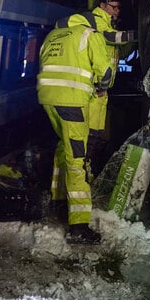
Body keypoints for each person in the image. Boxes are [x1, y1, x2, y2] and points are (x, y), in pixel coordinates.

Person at [37, 14, 114, 244]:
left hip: (48, 100)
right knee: (77, 159)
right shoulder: (91, 35)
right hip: (72, 103)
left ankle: (59, 198)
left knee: (64, 145)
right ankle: (79, 226)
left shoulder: (52, 36)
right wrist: (101, 88)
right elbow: (106, 72)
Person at [57, 0, 137, 175]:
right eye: (113, 7)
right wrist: (137, 34)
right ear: (102, 6)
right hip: (93, 89)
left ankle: (87, 172)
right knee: (87, 137)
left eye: (119, 8)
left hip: (102, 90)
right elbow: (111, 37)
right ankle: (81, 175)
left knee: (96, 136)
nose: (117, 11)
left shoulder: (107, 21)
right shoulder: (96, 19)